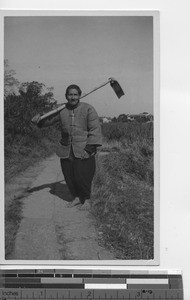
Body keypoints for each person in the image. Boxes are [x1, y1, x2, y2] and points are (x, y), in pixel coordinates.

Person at [32, 84, 102, 208]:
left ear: (80, 95)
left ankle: (87, 199)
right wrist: (39, 120)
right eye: (70, 94)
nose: (73, 97)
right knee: (69, 175)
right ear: (66, 96)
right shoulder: (62, 110)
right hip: (66, 148)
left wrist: (89, 149)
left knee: (83, 175)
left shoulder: (88, 109)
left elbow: (95, 129)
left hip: (84, 148)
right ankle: (76, 197)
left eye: (75, 94)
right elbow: (48, 121)